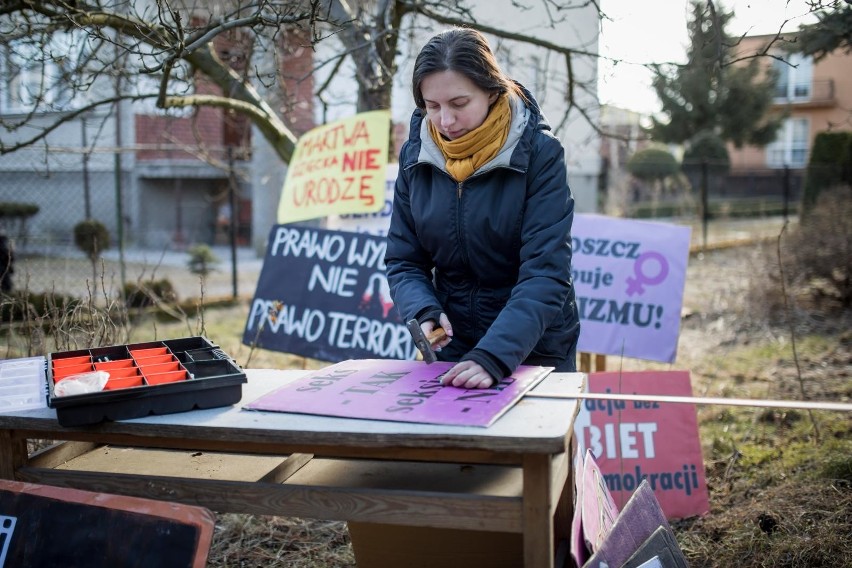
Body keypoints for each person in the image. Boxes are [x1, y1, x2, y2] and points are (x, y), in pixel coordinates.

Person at [385, 28, 581, 389]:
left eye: (459, 104)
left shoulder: (540, 153)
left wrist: (495, 355)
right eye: (432, 107)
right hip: (453, 345)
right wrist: (423, 311)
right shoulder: (415, 156)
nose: (446, 121)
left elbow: (546, 273)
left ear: (492, 92)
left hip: (533, 347)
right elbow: (403, 260)